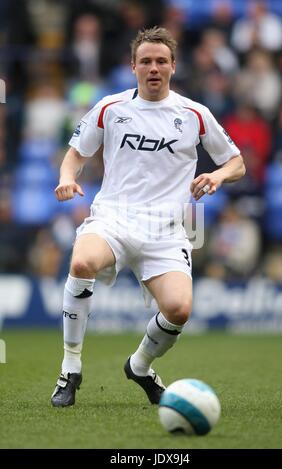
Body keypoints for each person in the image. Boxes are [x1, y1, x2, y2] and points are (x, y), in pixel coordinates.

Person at [51, 26, 246, 407]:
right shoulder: (111, 108)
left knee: (179, 310)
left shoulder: (195, 114)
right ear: (133, 66)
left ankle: (139, 366)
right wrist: (65, 177)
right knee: (81, 260)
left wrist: (218, 174)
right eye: (145, 61)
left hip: (168, 229)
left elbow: (236, 162)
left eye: (161, 61)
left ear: (173, 66)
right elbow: (76, 152)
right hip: (114, 218)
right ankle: (70, 368)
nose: (153, 68)